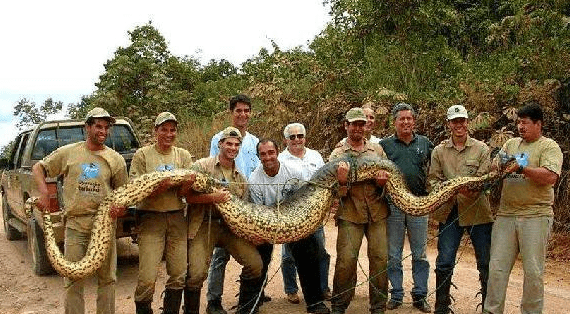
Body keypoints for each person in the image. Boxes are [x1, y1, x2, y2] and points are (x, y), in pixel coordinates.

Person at [32, 107, 128, 314]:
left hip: (104, 226)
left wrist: (120, 209)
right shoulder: (69, 152)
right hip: (75, 224)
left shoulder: (116, 159)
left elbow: (123, 194)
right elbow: (38, 168)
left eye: (106, 127)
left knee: (108, 279)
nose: (103, 131)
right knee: (73, 280)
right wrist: (43, 193)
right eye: (98, 126)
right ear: (87, 127)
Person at [483, 102, 562, 314]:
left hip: (536, 215)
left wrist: (522, 168)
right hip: (506, 215)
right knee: (497, 269)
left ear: (538, 124)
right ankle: (491, 311)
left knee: (533, 272)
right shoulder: (510, 144)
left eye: (525, 123)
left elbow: (551, 177)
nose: (521, 127)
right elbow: (494, 166)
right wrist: (498, 164)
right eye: (518, 122)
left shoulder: (549, 147)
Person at [183, 126, 264, 314]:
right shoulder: (202, 166)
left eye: (236, 145)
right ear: (220, 144)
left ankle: (245, 308)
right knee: (196, 274)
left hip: (229, 228)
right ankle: (197, 308)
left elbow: (244, 213)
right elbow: (188, 197)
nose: (232, 148)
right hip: (204, 223)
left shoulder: (241, 179)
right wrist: (213, 198)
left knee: (255, 264)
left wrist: (253, 234)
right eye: (229, 143)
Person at [249, 138, 330, 314]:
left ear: (278, 152)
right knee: (258, 258)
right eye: (263, 154)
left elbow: (304, 199)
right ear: (258, 157)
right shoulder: (254, 180)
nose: (268, 157)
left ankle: (315, 302)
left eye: (271, 152)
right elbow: (258, 212)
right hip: (268, 223)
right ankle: (251, 303)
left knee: (310, 251)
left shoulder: (294, 171)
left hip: (293, 222)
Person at [428, 104, 494, 314]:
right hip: (449, 213)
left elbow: (484, 180)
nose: (459, 125)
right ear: (448, 124)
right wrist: (453, 189)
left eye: (462, 120)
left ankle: (488, 307)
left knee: (485, 262)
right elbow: (433, 181)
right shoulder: (439, 151)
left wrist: (458, 186)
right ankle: (441, 308)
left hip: (478, 212)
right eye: (454, 121)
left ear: (467, 122)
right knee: (444, 262)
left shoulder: (482, 149)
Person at [129, 112, 194, 314]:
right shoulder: (142, 155)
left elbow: (185, 193)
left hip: (176, 217)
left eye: (172, 130)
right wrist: (159, 186)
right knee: (147, 275)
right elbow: (135, 189)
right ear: (155, 131)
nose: (168, 134)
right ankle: (143, 308)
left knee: (178, 273)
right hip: (150, 218)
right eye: (164, 129)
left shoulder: (183, 155)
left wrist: (186, 185)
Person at [329, 107, 390, 314]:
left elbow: (388, 181)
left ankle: (379, 306)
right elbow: (332, 191)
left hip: (377, 213)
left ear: (366, 126)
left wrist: (382, 183)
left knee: (380, 259)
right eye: (353, 124)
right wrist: (342, 182)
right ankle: (339, 305)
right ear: (346, 126)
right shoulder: (338, 153)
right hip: (350, 214)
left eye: (361, 124)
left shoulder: (377, 150)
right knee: (346, 261)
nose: (357, 128)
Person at [206, 94, 261, 314]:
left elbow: (256, 172)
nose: (243, 115)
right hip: (225, 202)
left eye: (247, 110)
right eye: (239, 110)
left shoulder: (255, 141)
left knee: (252, 252)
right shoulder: (218, 138)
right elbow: (214, 169)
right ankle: (213, 300)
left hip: (248, 202)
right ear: (232, 112)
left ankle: (250, 297)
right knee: (221, 255)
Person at [379, 103, 432, 312]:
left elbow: (433, 170)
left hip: (419, 204)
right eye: (401, 119)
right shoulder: (385, 145)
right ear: (394, 122)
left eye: (409, 118)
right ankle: (397, 294)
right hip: (394, 205)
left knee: (420, 254)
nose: (406, 122)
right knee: (394, 253)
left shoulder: (426, 143)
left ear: (414, 121)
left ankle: (420, 295)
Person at [278, 122, 332, 304]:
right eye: (292, 137)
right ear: (286, 140)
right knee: (288, 254)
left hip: (315, 212)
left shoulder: (315, 156)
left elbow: (326, 181)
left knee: (320, 251)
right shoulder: (280, 159)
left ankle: (323, 288)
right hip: (291, 213)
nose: (296, 140)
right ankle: (291, 290)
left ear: (305, 138)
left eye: (300, 136)